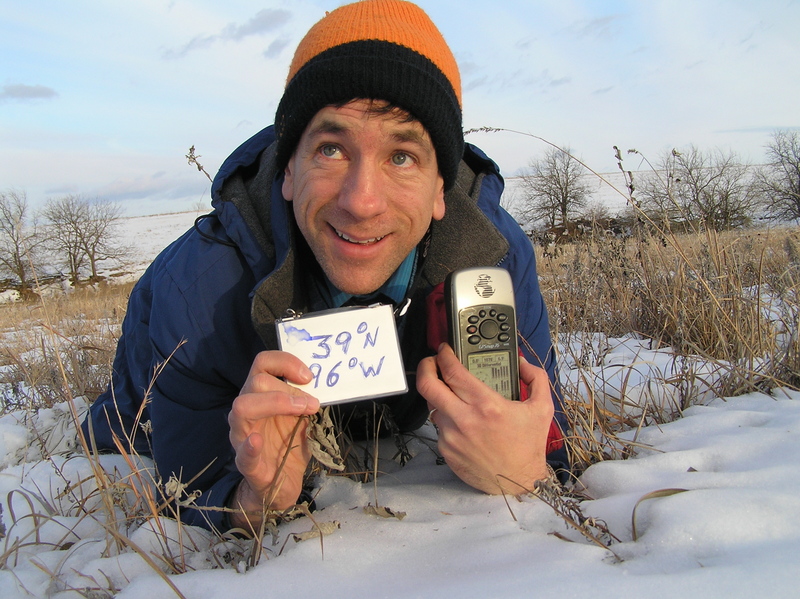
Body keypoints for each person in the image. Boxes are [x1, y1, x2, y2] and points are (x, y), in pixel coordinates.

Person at [82, 0, 568, 533]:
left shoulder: (493, 261)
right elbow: (189, 486)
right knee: (120, 431)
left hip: (388, 401)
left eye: (401, 156)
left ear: (439, 188)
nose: (362, 202)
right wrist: (257, 496)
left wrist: (525, 469)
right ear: (289, 170)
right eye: (332, 149)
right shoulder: (200, 291)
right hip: (158, 379)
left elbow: (549, 434)